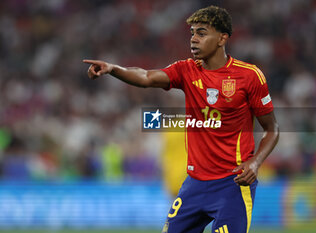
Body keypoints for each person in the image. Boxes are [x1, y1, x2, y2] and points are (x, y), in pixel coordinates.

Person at [83, 5, 279, 233]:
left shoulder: (249, 76)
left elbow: (272, 128)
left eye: (202, 33)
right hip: (195, 184)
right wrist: (113, 68)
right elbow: (146, 76)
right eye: (192, 33)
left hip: (232, 184)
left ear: (222, 38)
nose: (194, 39)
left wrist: (255, 162)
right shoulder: (186, 70)